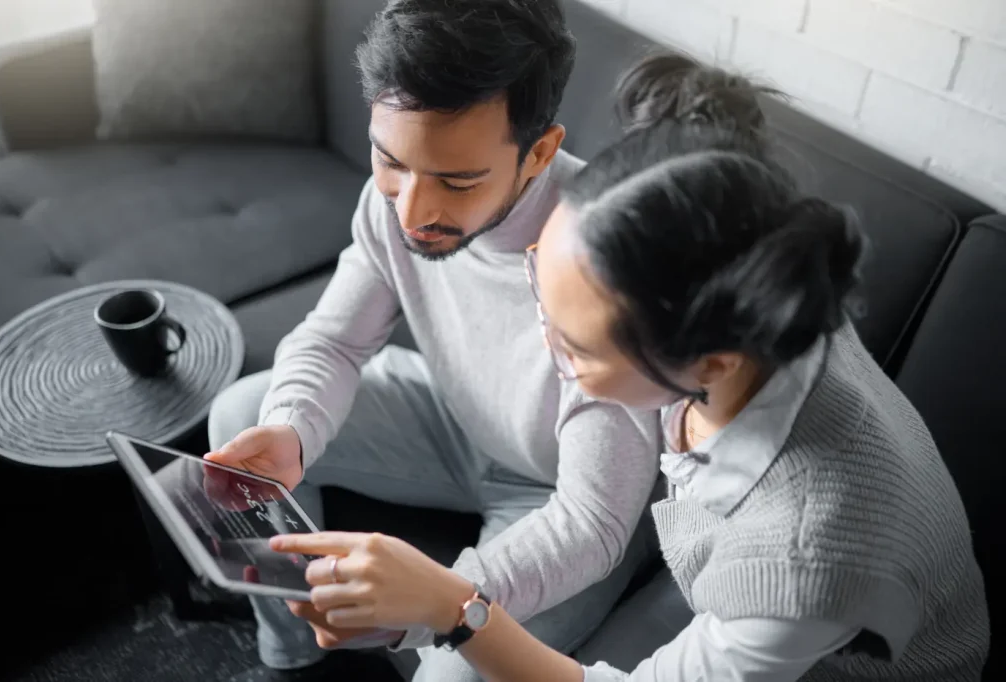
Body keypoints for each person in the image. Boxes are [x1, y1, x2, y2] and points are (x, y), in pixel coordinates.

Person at [272, 55, 991, 681]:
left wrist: (452, 608)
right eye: (544, 307)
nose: (542, 349)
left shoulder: (806, 559)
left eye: (577, 348)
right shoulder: (758, 286)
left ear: (707, 361)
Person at [205, 1, 664, 681]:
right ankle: (297, 654)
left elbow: (592, 523)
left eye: (456, 180)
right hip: (456, 421)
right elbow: (333, 341)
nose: (413, 212)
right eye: (390, 161)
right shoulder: (394, 202)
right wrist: (291, 429)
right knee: (246, 418)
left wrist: (439, 602)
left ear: (538, 152)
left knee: (455, 670)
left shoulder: (605, 253)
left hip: (564, 495)